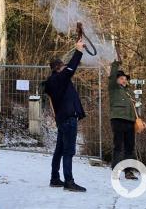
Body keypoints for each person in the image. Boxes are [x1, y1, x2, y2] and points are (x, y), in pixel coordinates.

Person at [43, 39, 87, 192]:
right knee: (68, 151)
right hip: (68, 119)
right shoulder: (59, 79)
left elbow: (70, 68)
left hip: (63, 120)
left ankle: (55, 178)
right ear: (58, 68)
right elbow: (71, 68)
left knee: (59, 150)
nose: (65, 67)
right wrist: (78, 51)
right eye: (63, 66)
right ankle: (69, 181)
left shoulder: (56, 80)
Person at [109, 55, 138, 180]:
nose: (124, 80)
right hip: (118, 120)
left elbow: (135, 107)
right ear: (116, 80)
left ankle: (128, 171)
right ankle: (115, 171)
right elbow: (111, 77)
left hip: (130, 121)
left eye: (125, 78)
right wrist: (115, 64)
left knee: (129, 147)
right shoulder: (113, 88)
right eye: (121, 78)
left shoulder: (128, 92)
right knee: (118, 146)